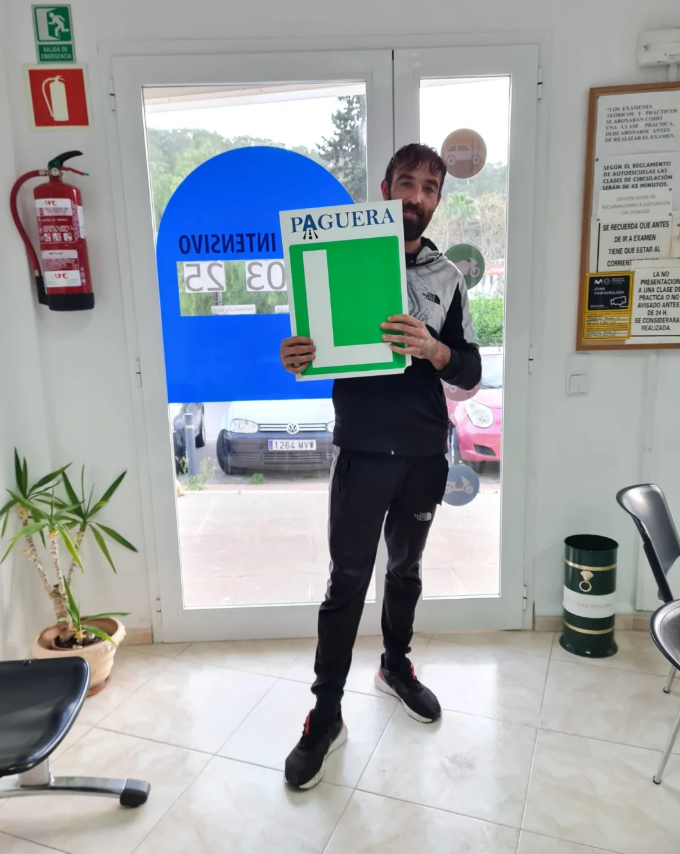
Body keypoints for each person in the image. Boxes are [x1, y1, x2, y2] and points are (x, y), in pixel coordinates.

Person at [280, 143, 482, 789]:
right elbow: (320, 351)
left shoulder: (448, 277)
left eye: (428, 188)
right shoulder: (335, 263)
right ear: (384, 186)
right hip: (364, 448)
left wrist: (436, 350)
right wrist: (299, 356)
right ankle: (326, 712)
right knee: (345, 583)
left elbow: (472, 372)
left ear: (438, 200)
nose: (415, 197)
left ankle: (396, 665)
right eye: (405, 183)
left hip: (424, 449)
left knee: (406, 570)